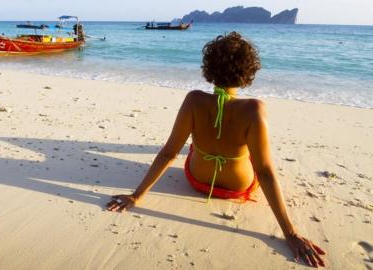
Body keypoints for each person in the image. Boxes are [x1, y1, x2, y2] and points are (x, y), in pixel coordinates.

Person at [106, 32, 326, 267]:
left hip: (197, 180)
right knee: (254, 155)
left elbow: (168, 153)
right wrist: (290, 234)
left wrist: (136, 196)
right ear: (248, 73)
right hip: (238, 188)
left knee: (193, 146)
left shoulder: (193, 100)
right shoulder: (254, 109)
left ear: (208, 69)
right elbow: (265, 173)